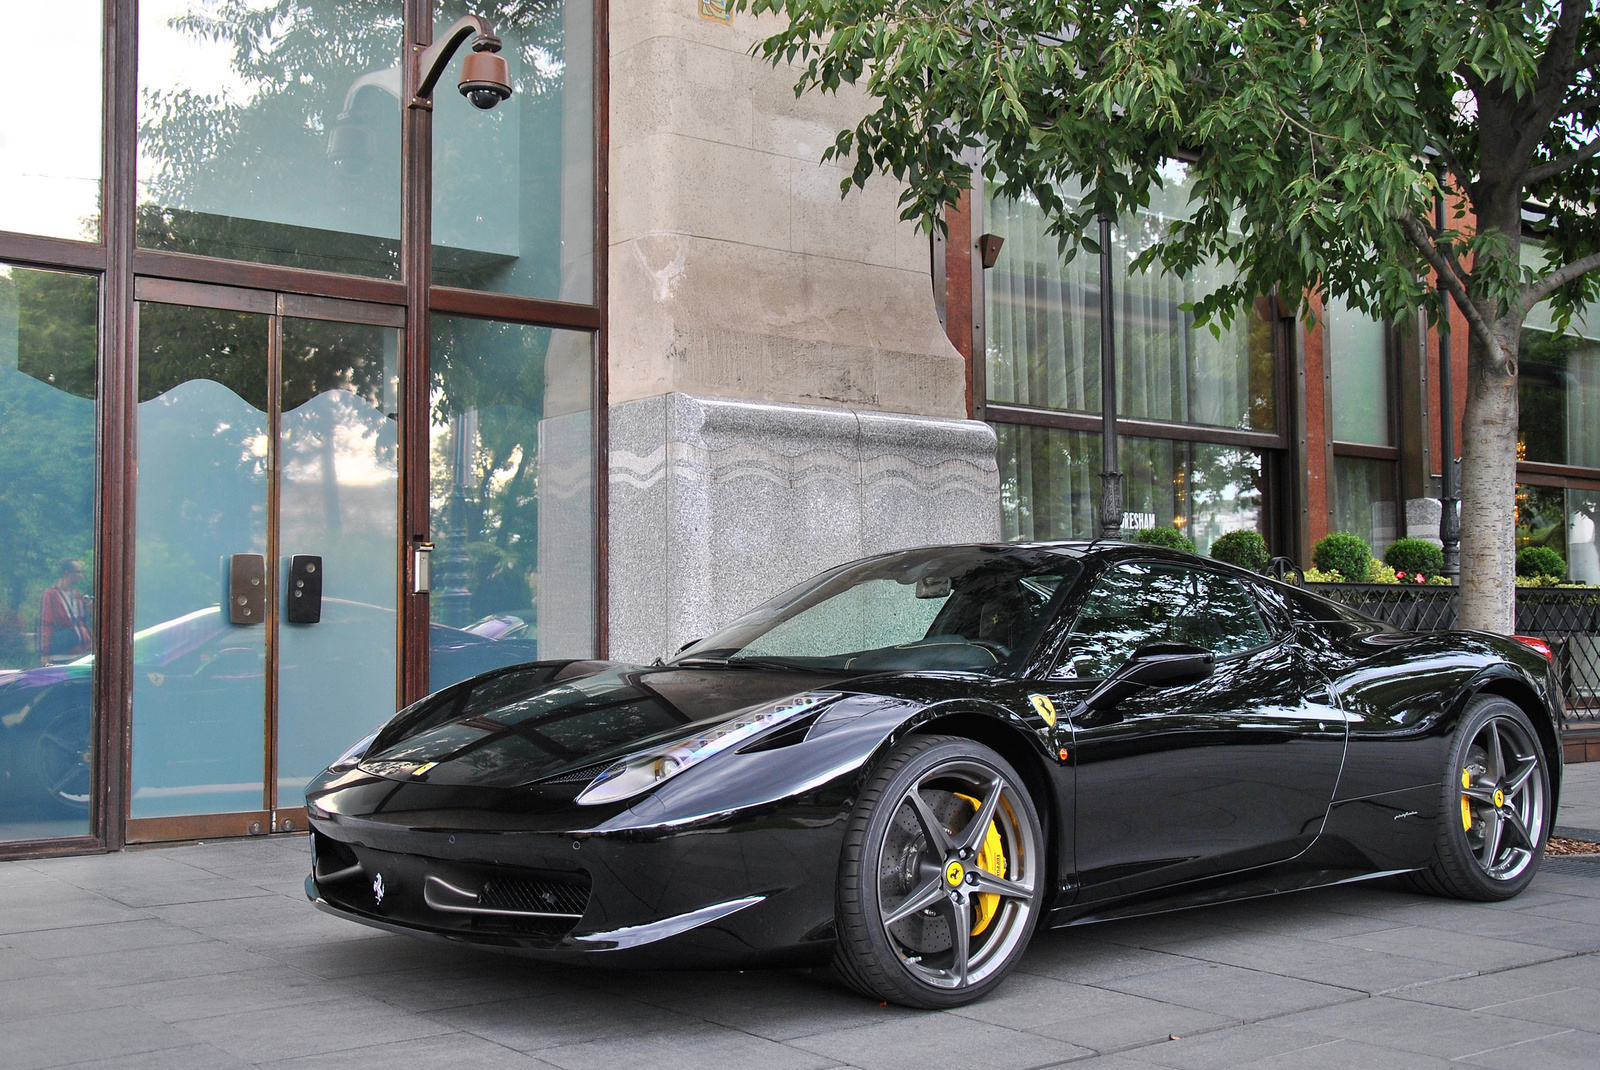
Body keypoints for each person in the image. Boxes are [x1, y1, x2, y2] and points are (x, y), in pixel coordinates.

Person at [39, 559, 92, 665]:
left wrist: (88, 610)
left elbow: (82, 622)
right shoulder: (51, 595)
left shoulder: (77, 595)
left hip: (82, 652)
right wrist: (45, 653)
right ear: (67, 573)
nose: (81, 576)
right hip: (62, 653)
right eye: (77, 572)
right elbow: (46, 623)